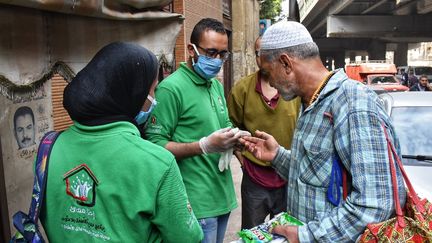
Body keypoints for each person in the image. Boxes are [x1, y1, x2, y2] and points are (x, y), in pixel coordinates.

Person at [239, 21, 406, 242]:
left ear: (286, 64)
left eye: (269, 73)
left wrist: (305, 235)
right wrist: (277, 156)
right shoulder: (309, 102)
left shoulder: (353, 103)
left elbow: (375, 204)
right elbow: (317, 176)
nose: (270, 82)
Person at [40, 42, 203, 242]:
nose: (154, 100)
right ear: (132, 94)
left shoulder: (48, 150)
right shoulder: (158, 162)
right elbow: (187, 238)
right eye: (153, 91)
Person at [145, 18, 241, 243]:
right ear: (192, 50)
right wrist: (204, 146)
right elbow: (154, 146)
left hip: (222, 195)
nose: (217, 60)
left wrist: (237, 139)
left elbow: (223, 124)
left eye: (222, 54)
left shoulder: (215, 85)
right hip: (195, 201)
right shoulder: (171, 89)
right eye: (210, 53)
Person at [227, 36, 300, 229]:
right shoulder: (242, 89)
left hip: (287, 176)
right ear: (255, 56)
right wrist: (240, 156)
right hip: (255, 176)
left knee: (286, 231)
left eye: (270, 53)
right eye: (260, 53)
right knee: (252, 233)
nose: (265, 58)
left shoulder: (294, 90)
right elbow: (231, 126)